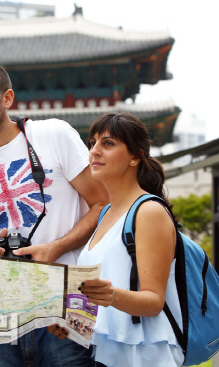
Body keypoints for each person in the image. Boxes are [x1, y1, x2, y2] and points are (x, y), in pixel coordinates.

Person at [0, 57, 109, 367]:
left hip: (63, 304)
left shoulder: (53, 135)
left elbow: (103, 204)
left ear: (7, 98)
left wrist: (56, 248)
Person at [50, 113, 183, 366]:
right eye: (92, 143)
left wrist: (111, 294)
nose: (94, 151)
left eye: (108, 143)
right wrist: (72, 322)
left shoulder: (149, 211)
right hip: (107, 355)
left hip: (145, 357)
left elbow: (154, 301)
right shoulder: (105, 214)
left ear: (135, 156)